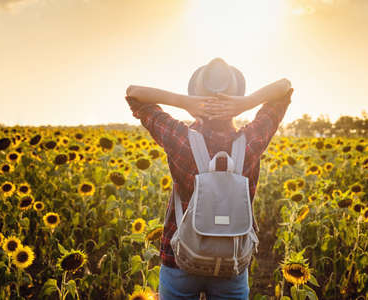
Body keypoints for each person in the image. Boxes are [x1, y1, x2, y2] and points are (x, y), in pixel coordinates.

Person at [125, 57, 293, 300]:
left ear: (195, 96)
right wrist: (246, 103)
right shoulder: (251, 141)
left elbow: (134, 94)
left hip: (180, 258)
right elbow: (284, 88)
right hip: (232, 259)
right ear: (237, 97)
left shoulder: (180, 139)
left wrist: (184, 103)